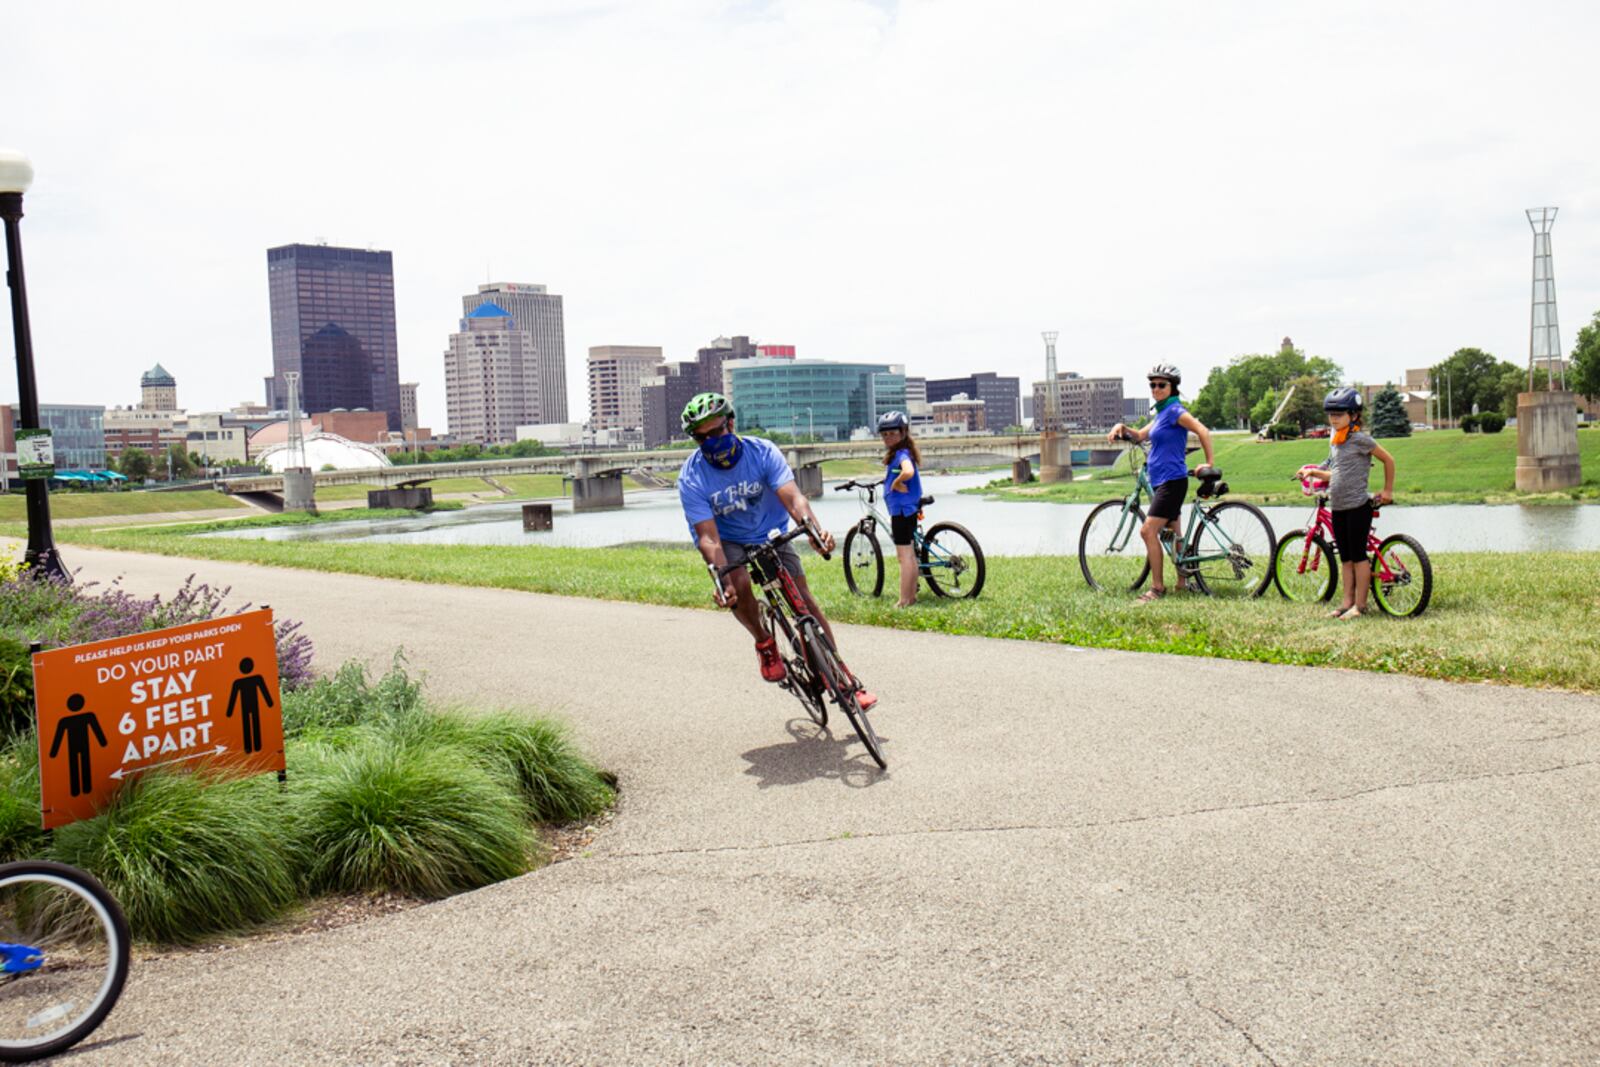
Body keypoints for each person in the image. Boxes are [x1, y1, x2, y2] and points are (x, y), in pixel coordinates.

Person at [678, 392, 876, 709]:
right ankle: (764, 640)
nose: (711, 442)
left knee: (803, 599)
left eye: (716, 432)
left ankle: (842, 679)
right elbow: (709, 538)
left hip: (770, 529)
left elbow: (794, 498)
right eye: (702, 439)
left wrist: (813, 528)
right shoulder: (692, 477)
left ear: (731, 424)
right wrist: (723, 579)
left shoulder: (762, 452)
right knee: (738, 583)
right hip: (727, 538)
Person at [1106, 363, 1216, 603]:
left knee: (1148, 531)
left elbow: (1203, 431)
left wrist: (1208, 463)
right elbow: (1140, 435)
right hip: (1162, 480)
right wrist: (1121, 427)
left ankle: (1157, 588)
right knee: (1174, 533)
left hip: (1171, 482)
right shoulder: (1161, 414)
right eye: (1153, 385)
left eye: (1161, 385)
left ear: (1173, 387)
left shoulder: (1176, 411)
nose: (1156, 388)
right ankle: (1181, 583)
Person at [1298, 387, 1396, 620]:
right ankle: (1346, 602)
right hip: (1339, 507)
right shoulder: (1336, 441)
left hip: (1358, 507)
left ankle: (1360, 605)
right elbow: (1335, 474)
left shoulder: (1361, 440)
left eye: (1339, 414)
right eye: (1331, 414)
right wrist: (1312, 472)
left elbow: (1388, 460)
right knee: (1345, 558)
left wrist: (1388, 490)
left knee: (1359, 557)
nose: (1334, 418)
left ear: (1353, 416)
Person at [877, 411, 924, 608]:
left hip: (902, 512)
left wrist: (896, 482)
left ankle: (904, 600)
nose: (889, 438)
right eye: (885, 434)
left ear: (903, 432)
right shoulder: (900, 453)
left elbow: (908, 471)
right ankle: (911, 597)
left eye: (893, 433)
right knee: (910, 555)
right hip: (906, 510)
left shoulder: (902, 454)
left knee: (904, 557)